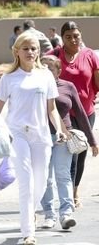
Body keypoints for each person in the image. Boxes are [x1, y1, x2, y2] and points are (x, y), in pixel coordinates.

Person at [0, 32, 67, 245]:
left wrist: (59, 129)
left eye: (34, 48)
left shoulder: (45, 76)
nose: (30, 52)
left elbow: (51, 108)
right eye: (25, 48)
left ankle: (30, 213)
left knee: (42, 181)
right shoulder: (8, 78)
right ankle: (28, 232)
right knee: (26, 181)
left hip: (41, 135)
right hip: (17, 134)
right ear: (17, 51)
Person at [39, 55, 98, 231]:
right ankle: (49, 215)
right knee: (45, 178)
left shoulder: (68, 86)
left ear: (58, 70)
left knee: (63, 175)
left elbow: (80, 113)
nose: (46, 70)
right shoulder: (34, 87)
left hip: (62, 137)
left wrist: (92, 140)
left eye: (50, 68)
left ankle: (66, 214)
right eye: (42, 67)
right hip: (40, 138)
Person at [49, 21, 99, 209]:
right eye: (68, 36)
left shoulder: (89, 55)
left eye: (76, 35)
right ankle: (67, 196)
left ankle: (74, 190)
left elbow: (97, 81)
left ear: (81, 35)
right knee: (69, 155)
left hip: (86, 112)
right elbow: (37, 68)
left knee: (81, 152)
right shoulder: (54, 55)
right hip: (62, 114)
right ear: (62, 38)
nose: (73, 39)